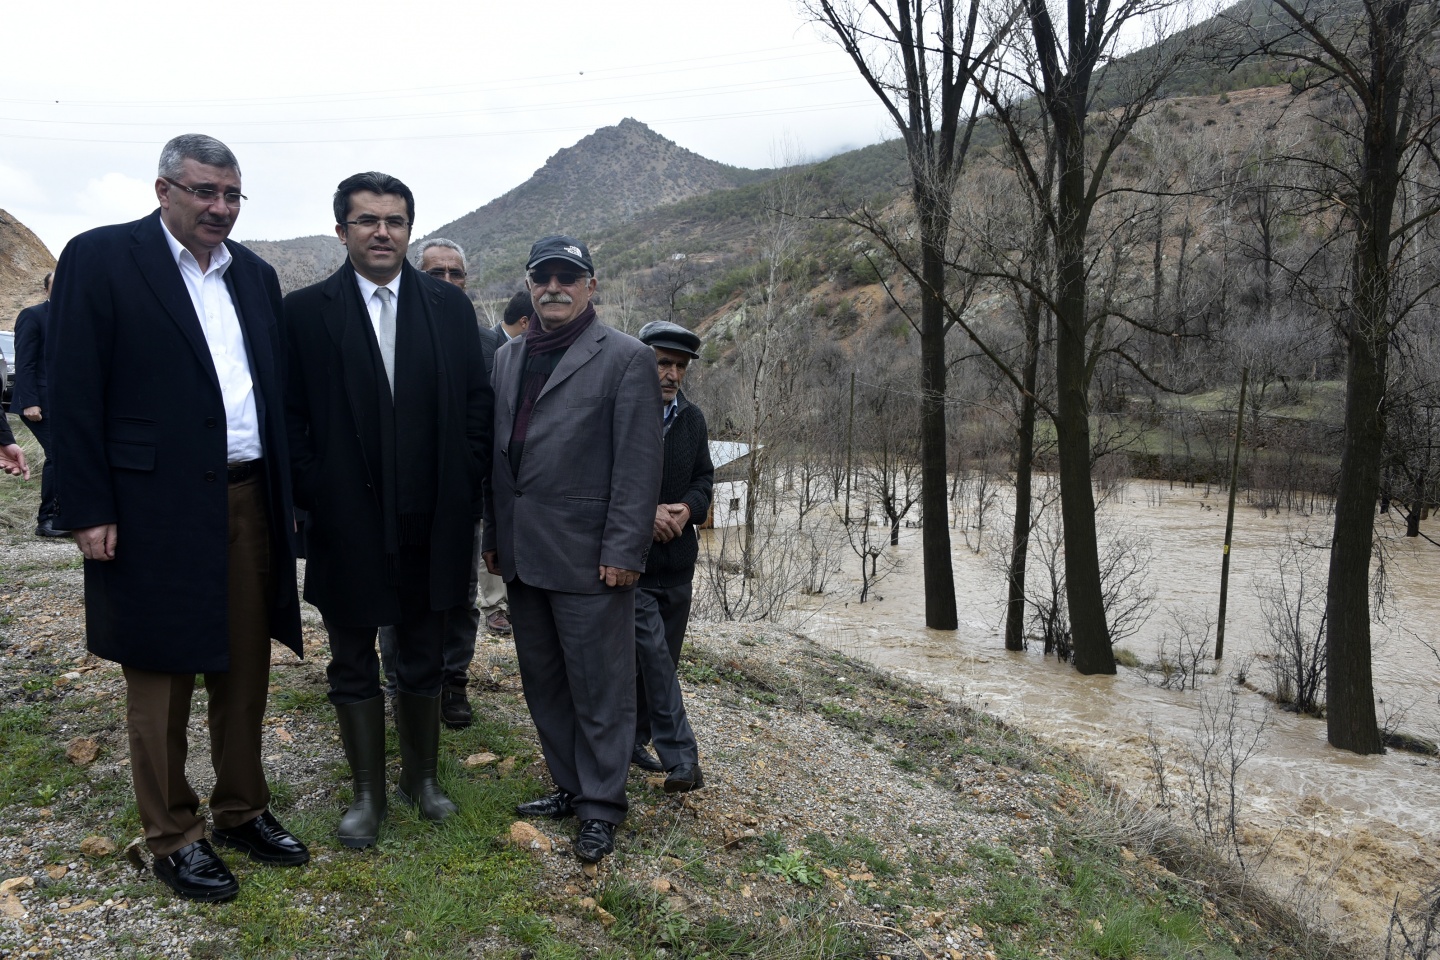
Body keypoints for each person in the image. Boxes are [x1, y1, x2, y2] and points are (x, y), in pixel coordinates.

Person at [48, 134, 307, 903]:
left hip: (247, 496)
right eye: (203, 192)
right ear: (163, 189)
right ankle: (171, 834)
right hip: (148, 506)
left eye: (231, 195)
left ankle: (242, 808)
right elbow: (72, 389)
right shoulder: (102, 258)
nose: (218, 209)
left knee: (243, 667)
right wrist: (87, 504)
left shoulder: (255, 277)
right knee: (159, 675)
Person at [284, 173, 492, 848]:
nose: (382, 231)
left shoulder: (448, 309)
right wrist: (319, 490)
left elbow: (474, 409)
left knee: (424, 653)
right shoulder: (306, 313)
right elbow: (291, 421)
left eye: (395, 220)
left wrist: (462, 481)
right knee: (351, 657)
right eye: (367, 219)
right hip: (345, 520)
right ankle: (368, 794)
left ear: (409, 228)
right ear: (341, 228)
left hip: (432, 516)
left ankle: (421, 780)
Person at [483, 235, 662, 864]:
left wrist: (625, 550)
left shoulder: (626, 358)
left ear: (590, 285)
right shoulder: (508, 356)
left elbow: (639, 467)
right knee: (545, 680)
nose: (553, 286)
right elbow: (496, 461)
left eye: (568, 276)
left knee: (601, 686)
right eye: (543, 276)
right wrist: (493, 539)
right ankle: (569, 785)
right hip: (523, 550)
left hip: (592, 557)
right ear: (530, 283)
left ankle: (602, 806)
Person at [377, 237, 505, 729]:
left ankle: (454, 682)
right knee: (397, 592)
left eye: (456, 274)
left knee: (457, 594)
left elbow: (487, 416)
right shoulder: (390, 331)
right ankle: (397, 684)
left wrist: (471, 472)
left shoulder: (487, 342)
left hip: (460, 494)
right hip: (399, 494)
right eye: (436, 274)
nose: (448, 282)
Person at [630, 320, 712, 794]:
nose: (672, 374)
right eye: (664, 362)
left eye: (679, 366)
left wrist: (687, 509)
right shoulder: (620, 412)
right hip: (633, 564)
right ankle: (682, 758)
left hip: (678, 564)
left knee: (663, 660)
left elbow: (703, 478)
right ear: (643, 360)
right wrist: (646, 514)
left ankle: (635, 739)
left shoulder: (692, 419)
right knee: (653, 656)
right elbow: (601, 483)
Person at [13, 272, 66, 536]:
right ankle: (47, 521)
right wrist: (30, 402)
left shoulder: (78, 317)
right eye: (56, 284)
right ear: (46, 289)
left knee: (69, 455)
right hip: (39, 404)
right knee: (59, 454)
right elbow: (24, 363)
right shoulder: (32, 316)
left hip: (68, 403)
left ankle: (66, 515)